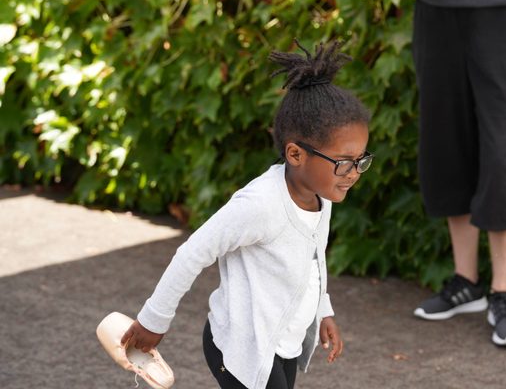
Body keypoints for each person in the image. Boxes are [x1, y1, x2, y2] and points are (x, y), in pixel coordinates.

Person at [120, 39, 373, 389]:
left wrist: (323, 310)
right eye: (344, 163)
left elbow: (312, 262)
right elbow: (192, 253)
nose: (355, 173)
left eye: (361, 160)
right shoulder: (260, 205)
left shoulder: (321, 194)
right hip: (241, 347)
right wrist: (153, 321)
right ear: (296, 154)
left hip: (279, 346)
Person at [409, 0, 506, 346]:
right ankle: (466, 281)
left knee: (502, 152)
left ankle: (502, 291)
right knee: (446, 144)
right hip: (436, 4)